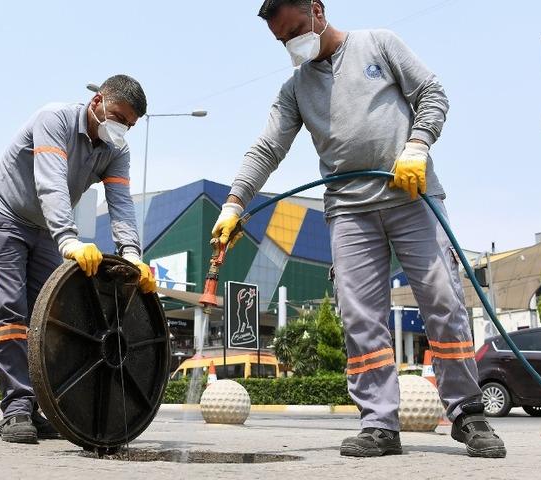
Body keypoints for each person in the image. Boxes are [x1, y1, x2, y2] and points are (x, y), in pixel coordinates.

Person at [212, 0, 506, 459]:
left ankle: (468, 413)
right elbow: (267, 147)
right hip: (349, 212)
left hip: (412, 196)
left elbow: (432, 92)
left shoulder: (379, 44)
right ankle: (379, 423)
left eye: (294, 30)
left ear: (317, 9)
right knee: (359, 316)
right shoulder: (295, 89)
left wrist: (417, 144)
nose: (291, 44)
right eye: (281, 39)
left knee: (444, 301)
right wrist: (234, 203)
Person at [0, 74, 157, 445]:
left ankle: (38, 406)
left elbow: (121, 205)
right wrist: (69, 240)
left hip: (42, 229)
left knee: (51, 318)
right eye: (119, 117)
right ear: (97, 102)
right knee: (9, 311)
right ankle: (17, 410)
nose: (122, 129)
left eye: (130, 125)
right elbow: (51, 182)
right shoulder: (53, 119)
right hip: (3, 213)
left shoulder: (115, 151)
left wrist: (133, 255)